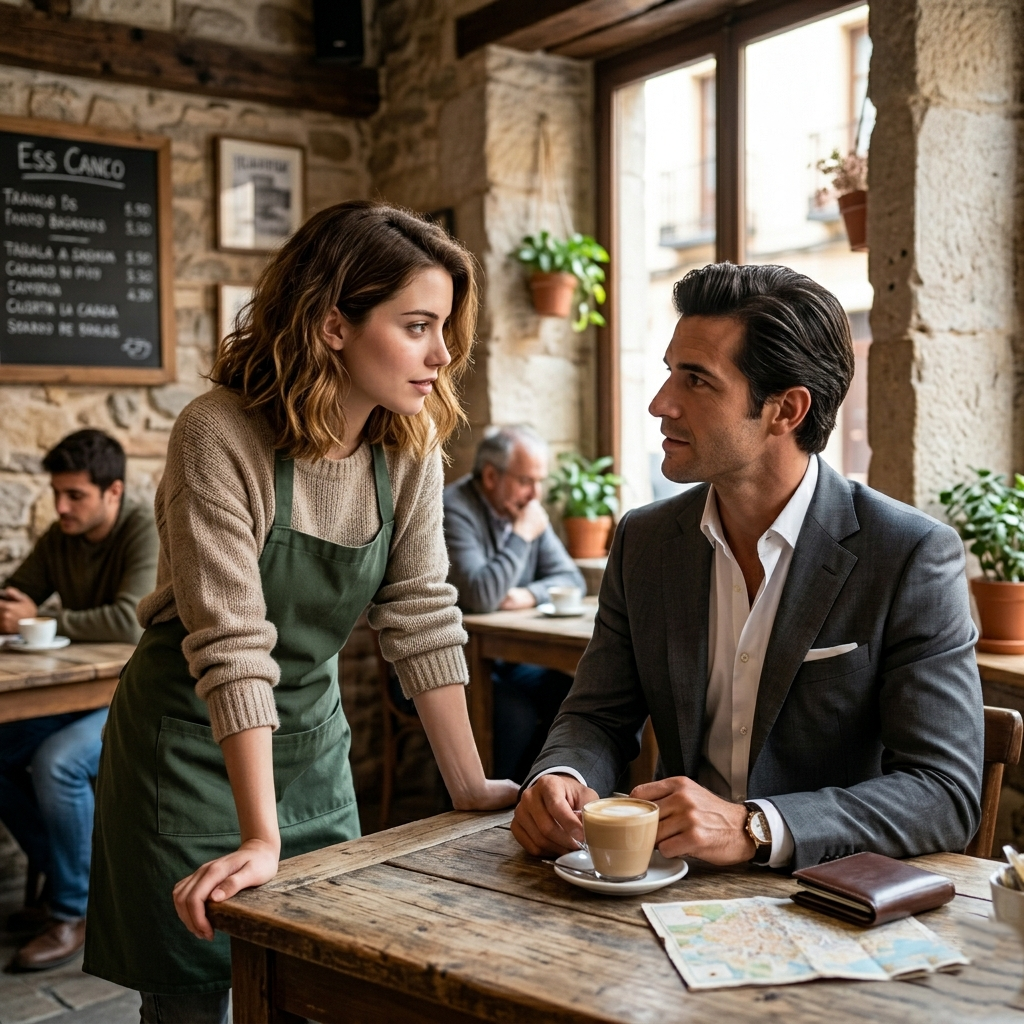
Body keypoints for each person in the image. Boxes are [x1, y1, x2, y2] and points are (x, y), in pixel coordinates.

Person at [83, 200, 518, 1024]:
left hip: (311, 749)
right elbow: (233, 644)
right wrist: (258, 836)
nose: (443, 353)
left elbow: (421, 613)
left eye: (447, 327)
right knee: (191, 1000)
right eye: (419, 325)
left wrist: (469, 786)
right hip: (188, 747)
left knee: (318, 989)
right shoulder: (218, 434)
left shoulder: (409, 443)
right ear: (331, 326)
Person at [512, 262, 984, 871]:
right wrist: (561, 774)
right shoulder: (644, 540)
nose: (661, 404)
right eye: (667, 375)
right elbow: (597, 715)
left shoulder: (909, 554)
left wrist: (757, 826)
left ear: (785, 410)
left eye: (697, 382)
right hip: (661, 891)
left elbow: (943, 794)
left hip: (822, 898)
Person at [0, 429, 158, 969]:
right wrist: (14, 612)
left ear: (112, 492)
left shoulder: (143, 529)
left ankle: (71, 911)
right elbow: (14, 595)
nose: (60, 507)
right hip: (78, 691)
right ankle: (76, 881)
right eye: (56, 493)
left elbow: (129, 620)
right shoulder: (61, 535)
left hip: (142, 694)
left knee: (58, 762)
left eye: (75, 496)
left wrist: (39, 620)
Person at [444, 426, 585, 780]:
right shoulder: (453, 508)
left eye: (540, 482)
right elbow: (481, 595)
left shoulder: (525, 508)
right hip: (453, 665)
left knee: (576, 701)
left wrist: (526, 595)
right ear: (491, 476)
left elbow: (572, 579)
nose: (535, 495)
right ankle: (491, 811)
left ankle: (537, 795)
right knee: (514, 715)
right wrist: (522, 535)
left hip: (506, 659)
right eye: (526, 481)